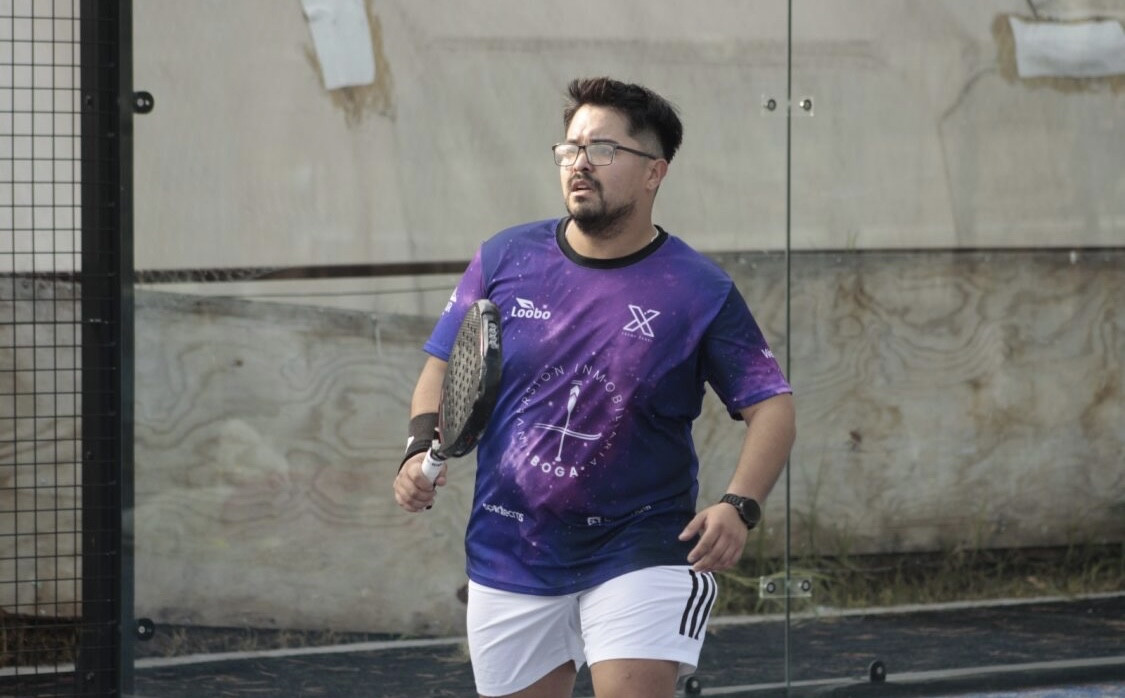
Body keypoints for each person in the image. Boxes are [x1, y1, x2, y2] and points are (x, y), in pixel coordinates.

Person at [394, 76, 795, 698]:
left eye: (602, 150)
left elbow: (772, 405)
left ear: (655, 172)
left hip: (641, 548)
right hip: (509, 549)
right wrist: (419, 446)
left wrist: (739, 505)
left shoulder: (699, 290)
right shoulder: (503, 257)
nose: (579, 163)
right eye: (570, 148)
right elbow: (443, 367)